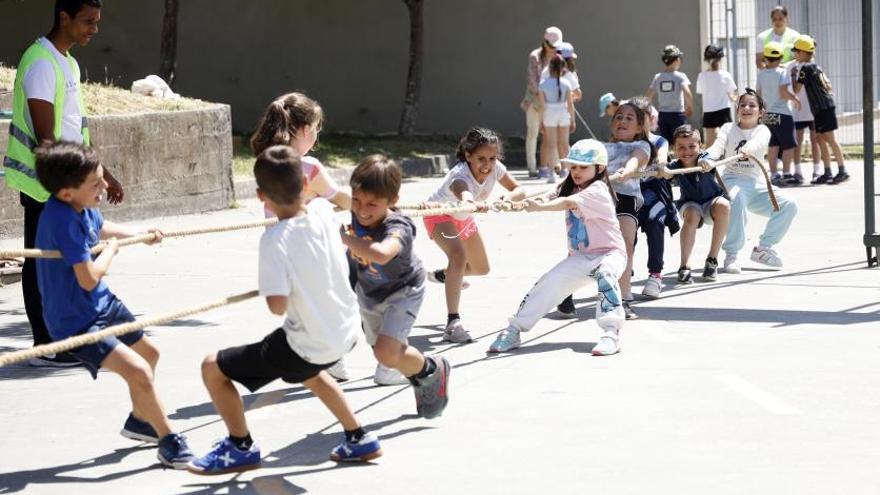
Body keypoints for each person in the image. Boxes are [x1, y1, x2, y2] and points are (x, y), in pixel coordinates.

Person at [187, 146, 382, 474]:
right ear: (306, 186)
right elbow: (332, 208)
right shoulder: (322, 212)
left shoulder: (275, 240)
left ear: (261, 196)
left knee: (212, 368)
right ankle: (358, 437)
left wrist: (276, 285)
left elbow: (277, 307)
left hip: (309, 342)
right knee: (310, 373)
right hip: (346, 333)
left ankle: (240, 446)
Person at [33, 142, 193, 468]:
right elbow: (88, 277)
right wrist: (111, 251)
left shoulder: (82, 205)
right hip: (75, 319)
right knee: (138, 370)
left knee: (150, 354)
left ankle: (140, 421)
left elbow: (101, 227)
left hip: (102, 303)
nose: (105, 187)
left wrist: (140, 233)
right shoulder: (61, 221)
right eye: (96, 184)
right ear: (66, 193)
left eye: (102, 178)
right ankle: (169, 440)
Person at [4, 0, 124, 367]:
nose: (94, 29)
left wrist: (102, 173)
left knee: (64, 260)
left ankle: (64, 339)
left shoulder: (67, 62)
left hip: (66, 182)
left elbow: (75, 128)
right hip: (47, 182)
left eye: (97, 21)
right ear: (64, 18)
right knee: (42, 262)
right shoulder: (41, 62)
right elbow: (46, 138)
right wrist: (72, 184)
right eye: (88, 21)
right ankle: (47, 344)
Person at [487, 139, 625, 356]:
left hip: (610, 254)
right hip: (580, 257)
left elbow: (566, 203)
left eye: (583, 167)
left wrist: (539, 208)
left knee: (606, 275)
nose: (576, 171)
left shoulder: (598, 189)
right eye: (573, 166)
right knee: (548, 282)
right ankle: (514, 330)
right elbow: (548, 196)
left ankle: (611, 332)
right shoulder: (569, 184)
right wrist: (516, 203)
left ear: (599, 169)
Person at [250, 91, 352, 381]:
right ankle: (329, 357)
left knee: (297, 304)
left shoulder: (266, 160)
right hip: (310, 245)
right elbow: (339, 198)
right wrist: (373, 204)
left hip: (278, 245)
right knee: (328, 297)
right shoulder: (309, 167)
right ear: (305, 129)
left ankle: (312, 354)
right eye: (316, 130)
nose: (316, 137)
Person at [341, 155, 451, 411]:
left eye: (372, 204)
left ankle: (431, 369)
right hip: (369, 293)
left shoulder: (398, 225)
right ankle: (419, 375)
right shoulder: (358, 210)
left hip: (404, 291)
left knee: (386, 352)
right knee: (385, 351)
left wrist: (344, 239)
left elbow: (380, 253)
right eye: (356, 200)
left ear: (392, 201)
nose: (362, 210)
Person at [423, 127, 526, 342]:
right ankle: (453, 322)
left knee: (481, 268)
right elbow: (463, 192)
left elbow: (519, 190)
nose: (487, 165)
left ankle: (445, 275)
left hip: (463, 216)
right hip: (440, 214)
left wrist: (506, 200)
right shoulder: (459, 176)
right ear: (468, 155)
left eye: (492, 157)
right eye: (481, 158)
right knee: (458, 256)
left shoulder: (496, 168)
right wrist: (470, 202)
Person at [703, 90, 798, 272]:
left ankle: (763, 248)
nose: (746, 108)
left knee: (789, 204)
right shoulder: (727, 128)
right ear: (737, 109)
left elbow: (759, 143)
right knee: (736, 199)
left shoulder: (763, 130)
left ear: (761, 112)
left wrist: (748, 148)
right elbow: (717, 146)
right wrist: (707, 158)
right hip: (732, 180)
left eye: (752, 105)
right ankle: (732, 254)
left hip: (757, 185)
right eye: (743, 105)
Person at [660, 125, 730, 282]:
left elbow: (709, 158)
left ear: (700, 146)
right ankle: (685, 266)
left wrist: (707, 162)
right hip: (690, 204)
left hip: (712, 202)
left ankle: (712, 259)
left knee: (724, 205)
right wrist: (663, 172)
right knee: (692, 215)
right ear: (674, 149)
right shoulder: (676, 166)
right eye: (681, 147)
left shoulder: (704, 158)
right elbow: (665, 173)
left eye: (692, 146)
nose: (687, 151)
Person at [606, 102, 654, 319]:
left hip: (626, 198)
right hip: (599, 198)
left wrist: (629, 169)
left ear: (639, 128)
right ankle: (566, 294)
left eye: (629, 118)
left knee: (625, 245)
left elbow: (637, 159)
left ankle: (623, 297)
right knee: (583, 247)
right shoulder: (600, 147)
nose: (622, 120)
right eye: (618, 116)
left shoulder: (643, 146)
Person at [628, 96, 676, 299]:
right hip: (627, 193)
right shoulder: (623, 142)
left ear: (649, 118)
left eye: (641, 117)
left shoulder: (659, 141)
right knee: (625, 233)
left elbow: (663, 159)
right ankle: (623, 274)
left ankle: (655, 275)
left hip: (653, 192)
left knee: (656, 221)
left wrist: (663, 167)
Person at [790, 35, 850, 184]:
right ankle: (827, 171)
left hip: (823, 108)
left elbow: (796, 89)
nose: (795, 54)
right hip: (821, 108)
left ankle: (842, 170)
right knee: (819, 138)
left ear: (804, 52)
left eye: (796, 51)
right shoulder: (816, 66)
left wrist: (793, 76)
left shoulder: (805, 68)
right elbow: (828, 85)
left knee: (830, 139)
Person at [756, 41, 801, 186]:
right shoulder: (783, 72)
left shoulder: (761, 74)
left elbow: (758, 94)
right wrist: (794, 98)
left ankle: (774, 174)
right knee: (788, 145)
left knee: (773, 145)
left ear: (765, 58)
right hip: (783, 113)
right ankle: (787, 173)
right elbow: (783, 92)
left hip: (767, 114)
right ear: (781, 57)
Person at [522, 26, 563, 178]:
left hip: (554, 103)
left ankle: (556, 165)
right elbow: (532, 81)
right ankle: (532, 167)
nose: (553, 48)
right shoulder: (535, 56)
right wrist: (544, 95)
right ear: (544, 42)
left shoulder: (561, 56)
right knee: (533, 133)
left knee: (553, 133)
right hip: (535, 101)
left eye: (555, 45)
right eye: (550, 44)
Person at [537, 55, 576, 184]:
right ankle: (567, 171)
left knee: (551, 144)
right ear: (562, 67)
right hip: (563, 112)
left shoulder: (543, 84)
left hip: (549, 112)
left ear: (550, 67)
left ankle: (552, 173)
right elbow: (571, 105)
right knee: (564, 144)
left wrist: (541, 121)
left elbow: (542, 106)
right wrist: (573, 120)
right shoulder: (567, 83)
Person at [645, 45, 694, 143]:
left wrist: (647, 110)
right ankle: (678, 158)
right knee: (680, 141)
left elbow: (648, 96)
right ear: (677, 60)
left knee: (665, 141)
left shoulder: (658, 77)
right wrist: (690, 107)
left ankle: (665, 158)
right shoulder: (680, 76)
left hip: (663, 115)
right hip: (678, 115)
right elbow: (687, 93)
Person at [696, 44, 737, 148]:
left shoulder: (702, 76)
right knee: (727, 135)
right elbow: (732, 94)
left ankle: (709, 161)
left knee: (709, 139)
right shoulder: (725, 75)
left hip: (708, 110)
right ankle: (728, 158)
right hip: (724, 109)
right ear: (720, 59)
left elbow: (701, 92)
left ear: (706, 59)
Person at [755, 5, 801, 69]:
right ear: (771, 20)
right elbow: (759, 61)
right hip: (770, 74)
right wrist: (771, 71)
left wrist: (784, 67)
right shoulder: (762, 37)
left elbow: (799, 59)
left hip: (789, 74)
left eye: (780, 19)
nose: (777, 22)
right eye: (774, 19)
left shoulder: (796, 36)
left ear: (787, 19)